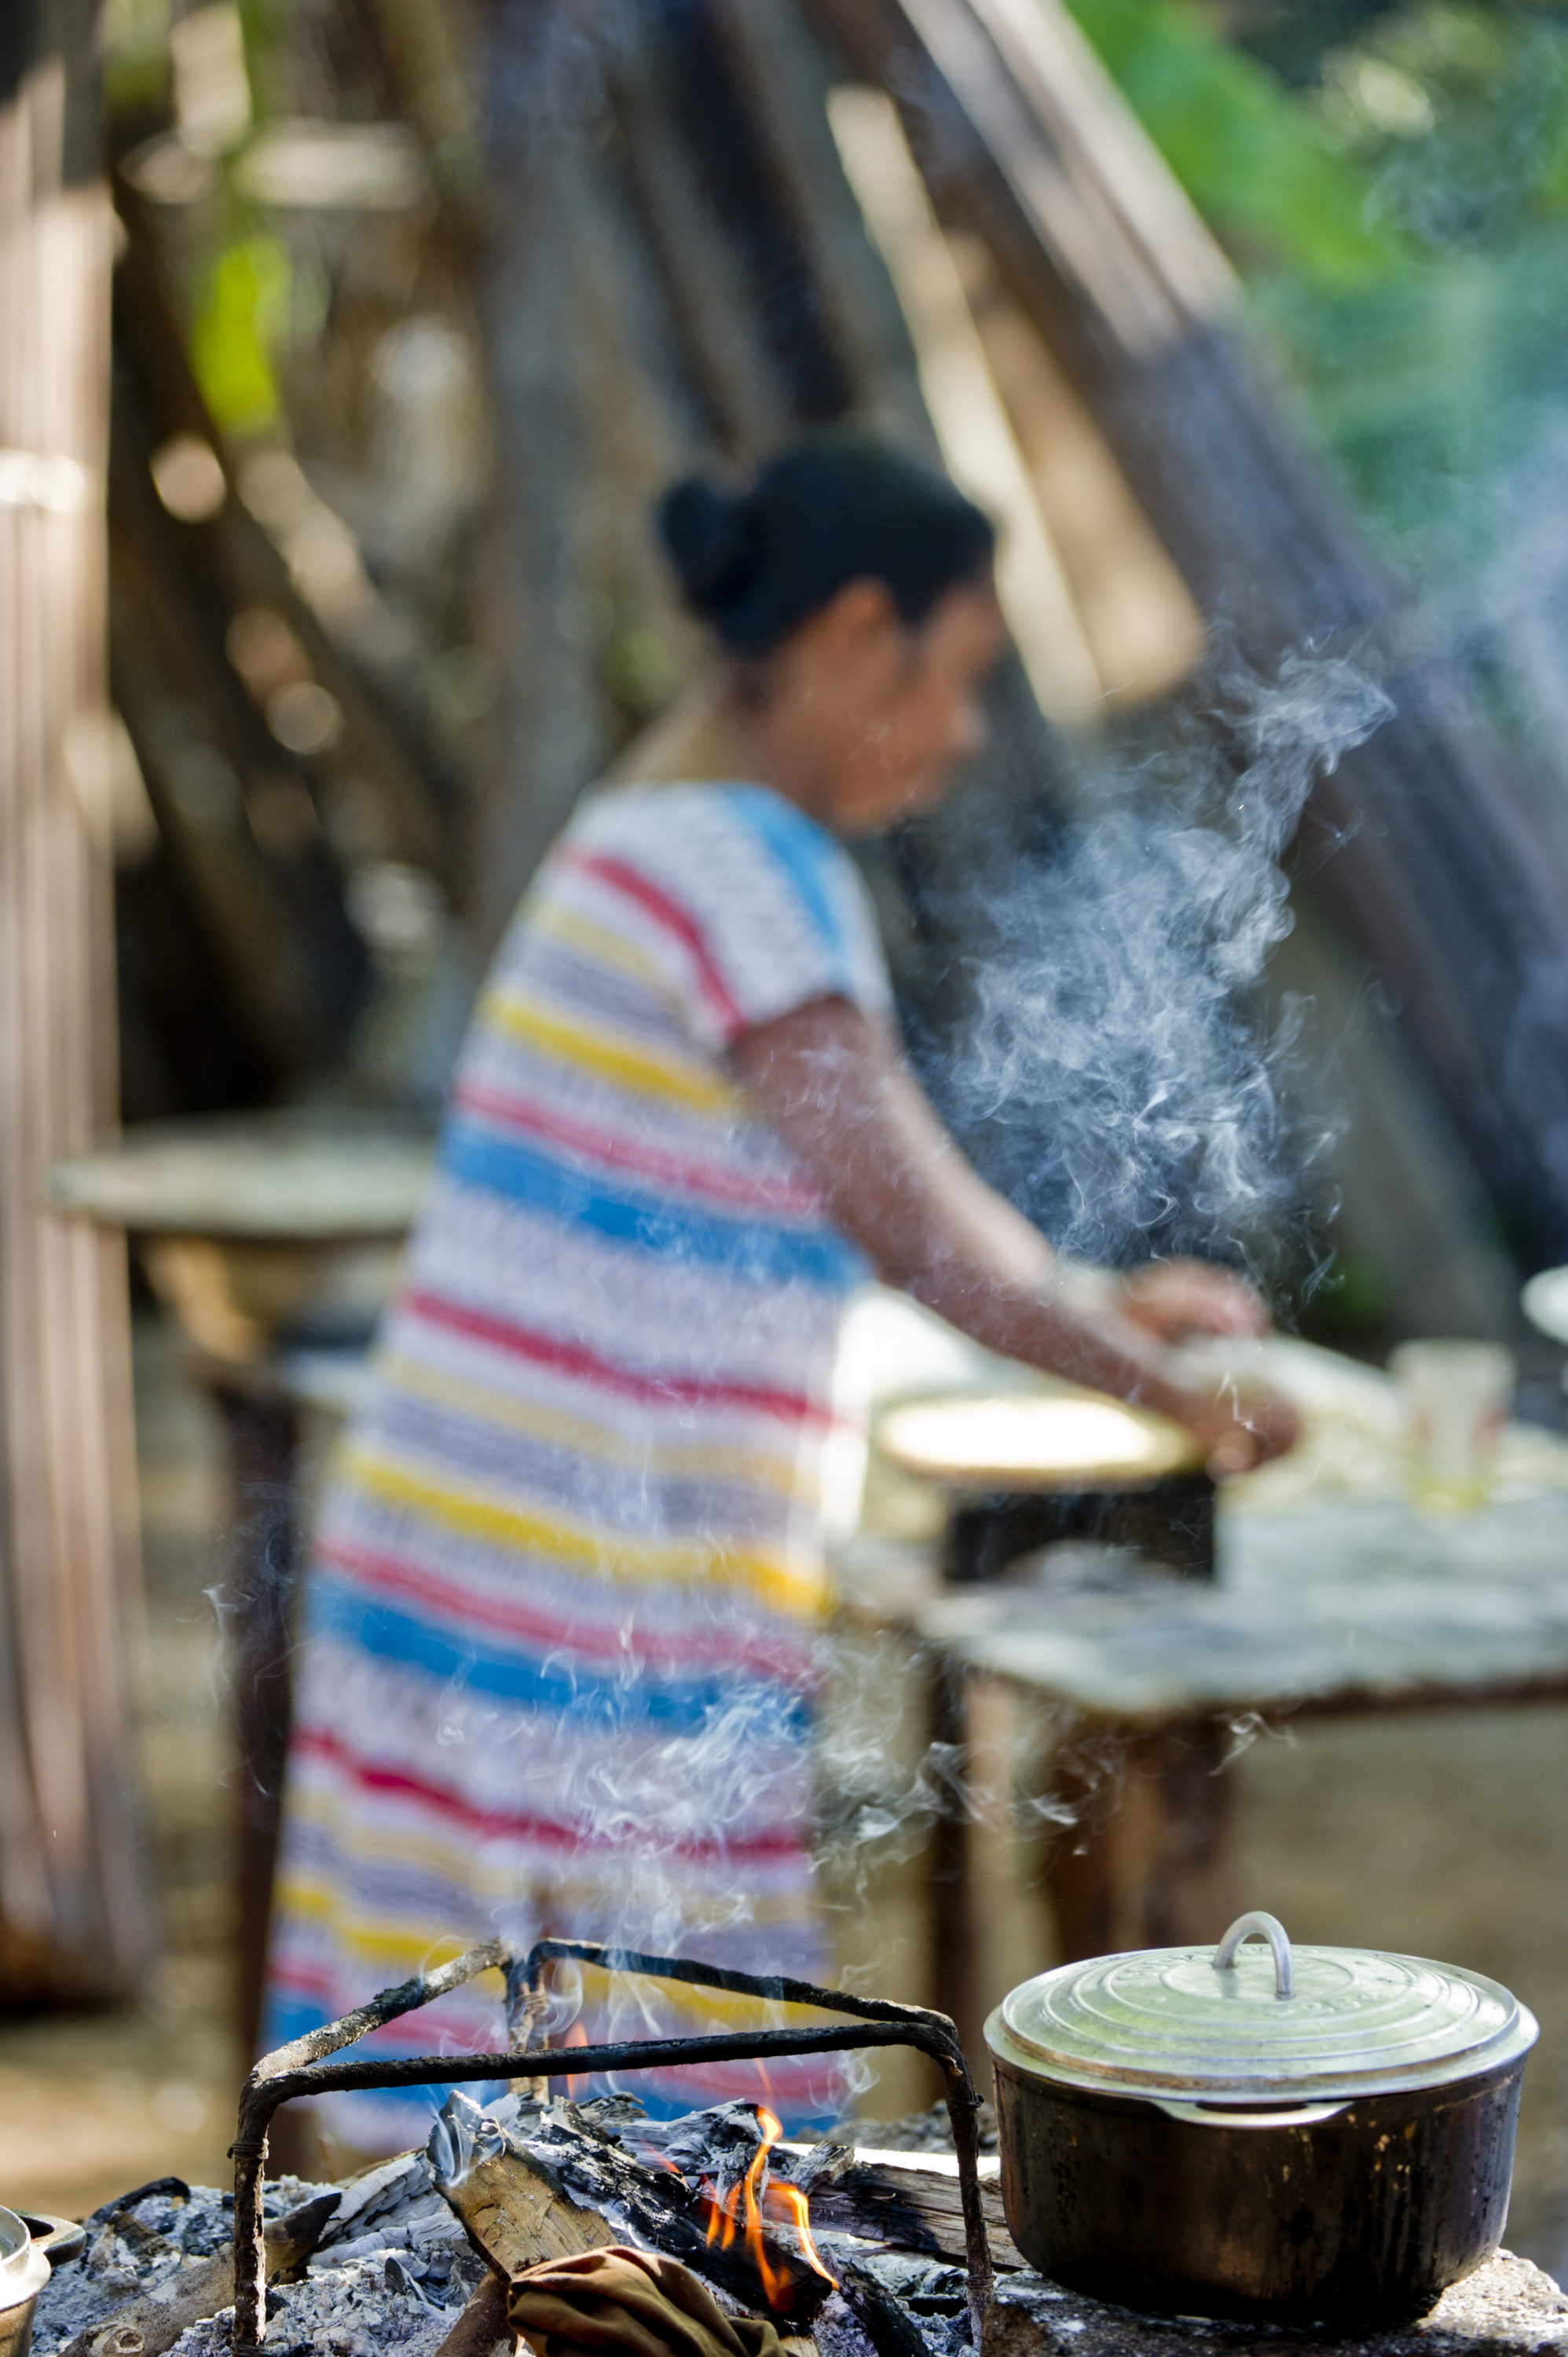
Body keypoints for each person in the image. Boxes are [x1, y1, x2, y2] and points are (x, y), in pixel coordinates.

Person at [264, 435, 1295, 2151]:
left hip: (480, 1573)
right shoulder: (745, 867)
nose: (964, 735)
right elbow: (921, 1231)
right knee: (616, 2167)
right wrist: (1167, 1392)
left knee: (471, 2168)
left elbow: (862, 1195)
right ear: (846, 638)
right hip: (562, 1618)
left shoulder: (648, 832)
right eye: (953, 678)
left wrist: (1111, 1298)